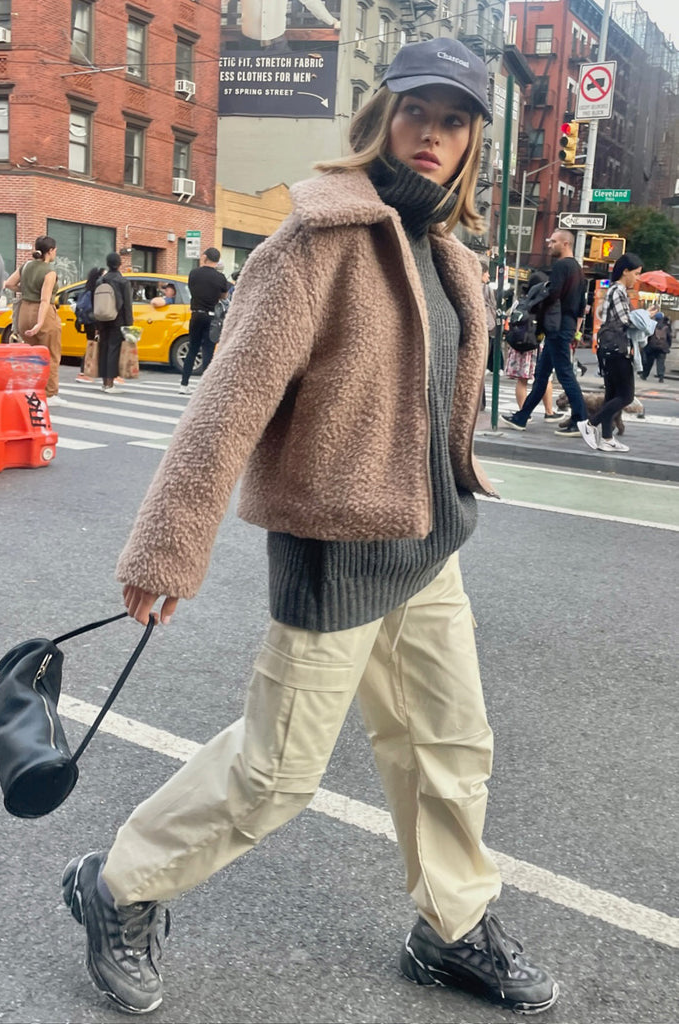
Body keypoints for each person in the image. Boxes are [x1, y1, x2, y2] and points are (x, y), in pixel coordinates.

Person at [61, 37, 559, 1018]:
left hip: (427, 548)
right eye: (416, 111)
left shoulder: (447, 254)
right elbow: (227, 401)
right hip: (334, 553)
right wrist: (168, 543)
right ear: (382, 116)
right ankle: (117, 885)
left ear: (470, 143)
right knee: (275, 774)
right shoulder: (316, 239)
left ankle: (450, 924)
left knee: (450, 748)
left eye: (453, 120)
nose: (431, 134)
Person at [500, 229, 587, 436]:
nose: (549, 244)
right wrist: (575, 332)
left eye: (553, 241)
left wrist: (538, 311)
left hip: (557, 327)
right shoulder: (578, 269)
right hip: (564, 326)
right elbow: (581, 306)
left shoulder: (562, 266)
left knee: (564, 373)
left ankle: (580, 419)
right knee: (541, 375)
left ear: (566, 244)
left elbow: (553, 295)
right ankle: (521, 417)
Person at [578, 253, 643, 453]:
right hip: (617, 348)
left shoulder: (614, 290)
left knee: (612, 395)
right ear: (625, 271)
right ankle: (590, 424)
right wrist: (645, 318)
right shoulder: (618, 291)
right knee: (626, 395)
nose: (637, 278)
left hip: (609, 349)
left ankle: (606, 438)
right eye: (636, 273)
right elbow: (626, 321)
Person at [3, 236, 67, 406]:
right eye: (55, 250)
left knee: (32, 355)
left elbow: (8, 284)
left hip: (24, 311)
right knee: (51, 354)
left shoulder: (26, 266)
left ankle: (32, 390)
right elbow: (45, 300)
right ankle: (50, 394)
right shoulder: (49, 272)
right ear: (50, 251)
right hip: (43, 313)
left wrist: (24, 290)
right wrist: (39, 323)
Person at [504, 272, 557, 418]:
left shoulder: (519, 302)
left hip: (520, 346)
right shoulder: (543, 303)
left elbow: (511, 319)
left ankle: (523, 413)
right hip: (537, 345)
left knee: (522, 380)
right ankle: (549, 412)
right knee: (545, 378)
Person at [179, 247, 229, 395]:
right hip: (212, 316)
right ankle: (206, 387)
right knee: (208, 350)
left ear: (205, 257)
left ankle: (184, 384)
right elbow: (224, 296)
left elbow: (192, 289)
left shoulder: (194, 273)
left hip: (196, 314)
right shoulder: (220, 277)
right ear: (217, 260)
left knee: (192, 349)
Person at [96, 253, 133, 393]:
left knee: (104, 349)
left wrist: (96, 322)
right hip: (118, 319)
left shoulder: (100, 281)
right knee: (113, 350)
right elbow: (127, 305)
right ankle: (110, 384)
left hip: (102, 318)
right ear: (120, 264)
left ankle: (104, 382)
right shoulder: (123, 282)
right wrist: (129, 324)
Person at [75, 266, 104, 382]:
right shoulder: (96, 291)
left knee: (91, 345)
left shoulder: (88, 290)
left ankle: (86, 372)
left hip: (88, 321)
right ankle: (84, 372)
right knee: (93, 346)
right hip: (94, 321)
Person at [640, 311, 671, 383]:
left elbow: (648, 336)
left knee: (649, 362)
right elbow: (669, 338)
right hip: (662, 347)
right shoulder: (666, 326)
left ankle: (644, 375)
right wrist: (668, 346)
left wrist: (646, 345)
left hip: (652, 347)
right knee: (661, 362)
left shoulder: (652, 325)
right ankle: (661, 377)